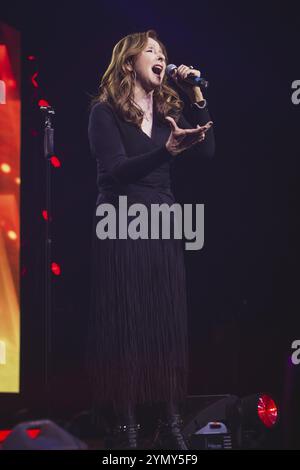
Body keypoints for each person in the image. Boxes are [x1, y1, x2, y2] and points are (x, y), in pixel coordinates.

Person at [87, 29, 215, 450]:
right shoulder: (105, 112)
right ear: (129, 62)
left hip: (162, 222)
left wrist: (196, 95)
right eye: (152, 52)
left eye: (164, 53)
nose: (161, 58)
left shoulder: (168, 115)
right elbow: (118, 170)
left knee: (163, 322)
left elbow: (208, 151)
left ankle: (170, 420)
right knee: (128, 323)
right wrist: (166, 152)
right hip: (121, 221)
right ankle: (124, 425)